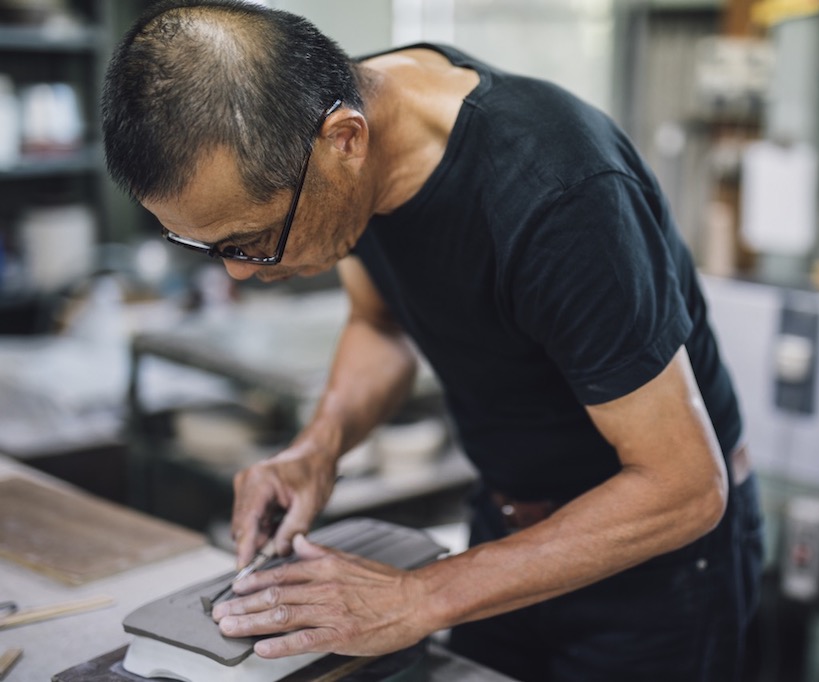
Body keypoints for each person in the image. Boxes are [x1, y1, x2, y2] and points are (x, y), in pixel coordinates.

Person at [102, 1, 764, 680]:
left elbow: (684, 486)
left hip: (653, 570)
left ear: (345, 142)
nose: (240, 270)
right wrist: (318, 447)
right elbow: (380, 323)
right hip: (509, 527)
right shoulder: (333, 157)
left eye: (252, 240)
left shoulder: (561, 199)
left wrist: (418, 597)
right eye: (212, 248)